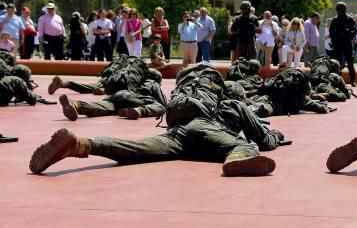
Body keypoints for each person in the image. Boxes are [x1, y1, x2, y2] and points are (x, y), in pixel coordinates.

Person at [30, 64, 287, 177]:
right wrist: (276, 135)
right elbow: (263, 141)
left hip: (177, 135)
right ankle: (235, 160)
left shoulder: (184, 100)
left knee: (136, 149)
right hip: (210, 134)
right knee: (246, 147)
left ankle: (82, 144)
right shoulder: (232, 104)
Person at [328, 2, 357, 87]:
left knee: (350, 63)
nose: (340, 12)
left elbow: (355, 30)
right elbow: (331, 32)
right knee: (337, 63)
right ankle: (338, 80)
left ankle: (353, 80)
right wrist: (335, 40)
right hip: (338, 44)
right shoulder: (335, 20)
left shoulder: (350, 19)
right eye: (338, 10)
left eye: (341, 10)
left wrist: (349, 34)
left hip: (347, 44)